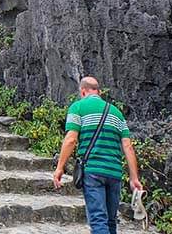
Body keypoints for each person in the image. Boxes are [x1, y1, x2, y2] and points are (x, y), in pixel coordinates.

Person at [53, 76, 144, 234]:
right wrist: (134, 178)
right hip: (115, 172)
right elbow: (128, 146)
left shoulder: (78, 107)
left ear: (82, 91)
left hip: (93, 171)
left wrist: (60, 168)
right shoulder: (117, 113)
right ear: (99, 92)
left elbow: (71, 140)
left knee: (98, 219)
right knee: (110, 220)